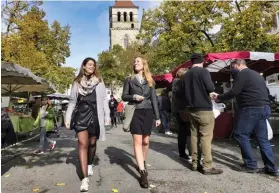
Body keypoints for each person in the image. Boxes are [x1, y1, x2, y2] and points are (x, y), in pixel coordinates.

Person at [212, 59, 278, 176]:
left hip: (250, 108)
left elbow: (234, 92)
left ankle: (251, 165)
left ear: (237, 65)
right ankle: (271, 167)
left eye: (233, 68)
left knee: (240, 134)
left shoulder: (242, 74)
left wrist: (219, 98)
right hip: (264, 107)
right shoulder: (257, 75)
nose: (233, 70)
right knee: (262, 139)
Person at [65, 57, 110, 192]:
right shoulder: (77, 82)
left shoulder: (99, 82)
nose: (92, 66)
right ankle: (84, 179)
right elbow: (72, 101)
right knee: (82, 143)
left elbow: (104, 100)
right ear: (83, 66)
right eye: (89, 64)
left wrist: (107, 115)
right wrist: (67, 117)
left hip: (95, 115)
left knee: (92, 143)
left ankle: (90, 163)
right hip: (81, 116)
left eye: (93, 65)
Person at [122, 56, 161, 188]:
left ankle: (142, 162)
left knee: (146, 141)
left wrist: (158, 117)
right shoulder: (129, 79)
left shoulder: (150, 80)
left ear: (144, 64)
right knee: (137, 142)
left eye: (138, 61)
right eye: (134, 61)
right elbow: (124, 96)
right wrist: (134, 96)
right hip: (135, 112)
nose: (135, 63)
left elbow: (154, 99)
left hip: (148, 112)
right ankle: (143, 173)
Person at [183, 53, 223, 175]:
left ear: (191, 62)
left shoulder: (186, 74)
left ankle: (195, 164)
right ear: (202, 61)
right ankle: (207, 166)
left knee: (194, 137)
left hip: (191, 109)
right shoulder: (203, 71)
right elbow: (210, 87)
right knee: (205, 138)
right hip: (204, 109)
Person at [172, 68, 191, 161]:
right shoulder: (178, 82)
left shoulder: (176, 82)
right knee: (183, 132)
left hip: (180, 109)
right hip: (182, 110)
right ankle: (182, 153)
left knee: (184, 132)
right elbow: (181, 94)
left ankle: (184, 152)